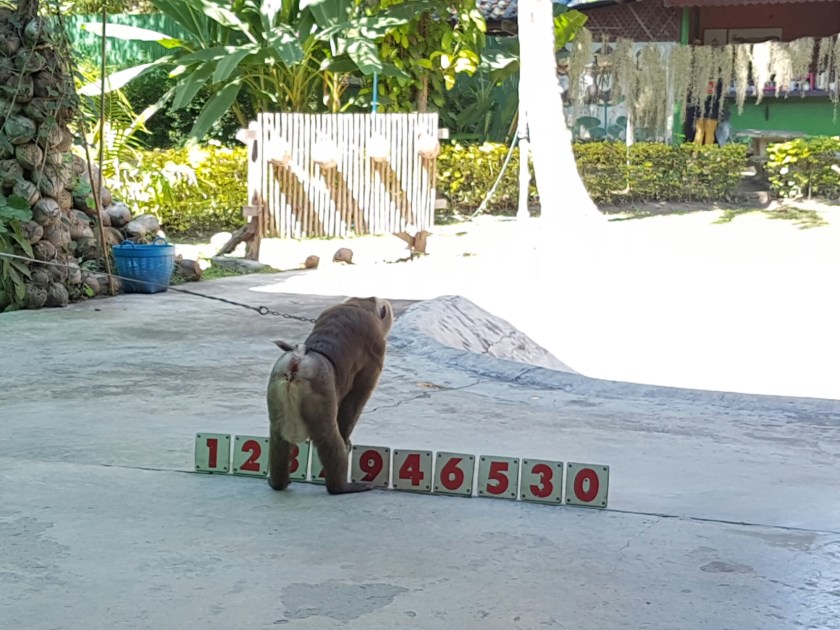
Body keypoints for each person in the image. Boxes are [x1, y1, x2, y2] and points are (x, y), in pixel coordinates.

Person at [694, 78, 723, 145]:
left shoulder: (700, 78)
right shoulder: (719, 79)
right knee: (709, 132)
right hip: (712, 110)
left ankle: (696, 150)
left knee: (700, 132)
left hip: (701, 109)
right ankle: (707, 150)